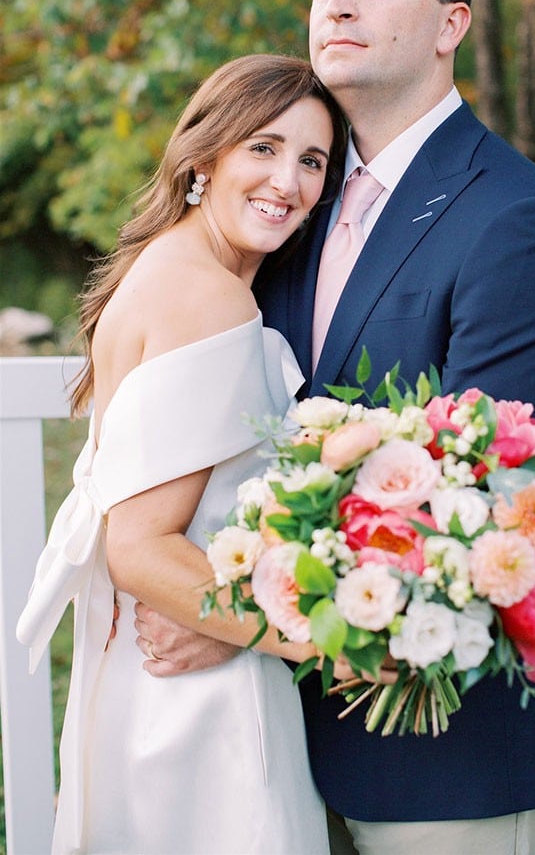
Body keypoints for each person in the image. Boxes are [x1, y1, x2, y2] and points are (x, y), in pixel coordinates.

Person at [134, 0, 535, 855]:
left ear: (449, 23)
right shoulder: (286, 206)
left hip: (445, 735)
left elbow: (462, 498)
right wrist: (208, 601)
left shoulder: (517, 222)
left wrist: (226, 606)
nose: (336, 3)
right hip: (271, 732)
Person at [16, 54, 348, 855]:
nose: (288, 181)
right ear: (205, 158)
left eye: (312, 161)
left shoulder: (162, 267)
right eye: (262, 148)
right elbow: (139, 548)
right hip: (198, 693)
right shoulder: (207, 294)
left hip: (145, 674)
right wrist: (325, 640)